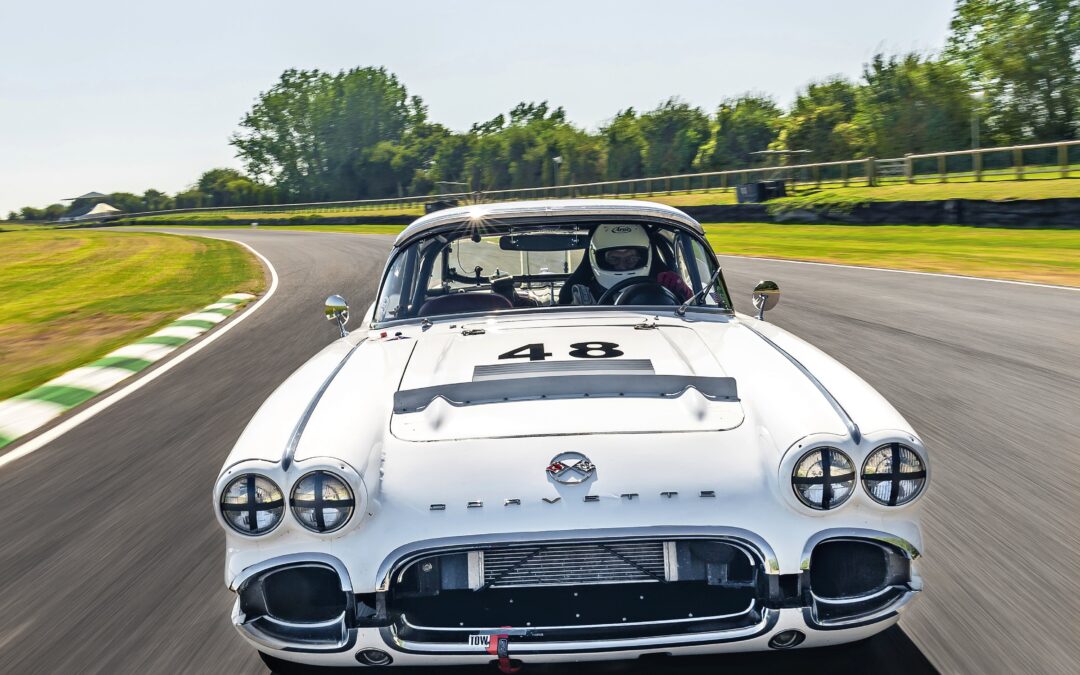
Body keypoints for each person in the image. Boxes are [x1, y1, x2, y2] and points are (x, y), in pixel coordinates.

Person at [558, 223, 692, 305]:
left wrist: (684, 293)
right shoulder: (582, 296)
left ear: (645, 256)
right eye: (614, 259)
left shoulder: (667, 284)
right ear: (596, 258)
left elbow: (692, 313)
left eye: (631, 258)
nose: (622, 266)